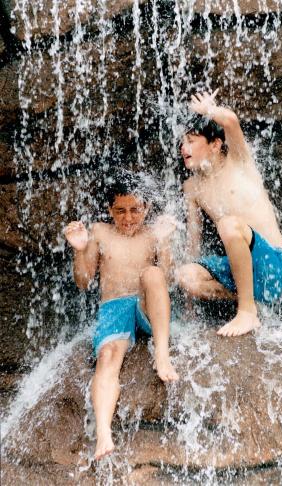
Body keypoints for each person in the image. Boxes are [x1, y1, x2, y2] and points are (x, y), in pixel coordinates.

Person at [64, 175, 179, 460]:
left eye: (135, 210)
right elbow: (83, 281)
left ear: (147, 207)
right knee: (107, 357)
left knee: (152, 274)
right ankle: (104, 433)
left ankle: (161, 354)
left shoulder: (154, 232)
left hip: (146, 305)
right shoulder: (100, 232)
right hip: (114, 307)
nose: (128, 218)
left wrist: (164, 243)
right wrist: (79, 251)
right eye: (120, 211)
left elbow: (169, 279)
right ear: (109, 209)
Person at [176, 90, 282, 337]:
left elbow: (231, 121)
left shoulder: (239, 161)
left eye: (191, 140)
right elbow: (193, 243)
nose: (183, 147)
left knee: (227, 224)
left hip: (272, 266)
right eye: (182, 142)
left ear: (215, 145)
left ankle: (247, 312)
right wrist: (188, 306)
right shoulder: (192, 188)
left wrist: (209, 110)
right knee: (186, 275)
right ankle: (250, 297)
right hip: (239, 271)